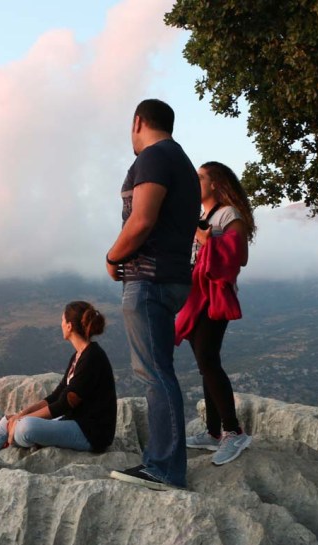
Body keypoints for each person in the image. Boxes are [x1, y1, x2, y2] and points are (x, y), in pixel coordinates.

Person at [106, 99, 200, 491]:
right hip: (174, 277)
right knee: (160, 371)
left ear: (138, 121)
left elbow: (142, 219)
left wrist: (113, 256)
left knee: (154, 373)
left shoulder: (153, 157)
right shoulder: (183, 162)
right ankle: (164, 463)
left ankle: (164, 468)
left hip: (150, 279)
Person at [0, 301, 117, 490]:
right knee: (7, 421)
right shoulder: (78, 356)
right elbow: (55, 396)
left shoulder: (92, 357)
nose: (60, 324)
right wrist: (18, 415)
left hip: (91, 434)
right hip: (75, 423)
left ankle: (10, 437)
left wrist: (22, 420)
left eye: (62, 320)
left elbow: (63, 405)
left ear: (69, 325)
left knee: (25, 427)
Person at [176, 161, 256, 465]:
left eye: (200, 177)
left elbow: (240, 256)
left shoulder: (229, 215)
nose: (194, 182)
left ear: (215, 184)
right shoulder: (202, 216)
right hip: (197, 296)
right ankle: (212, 433)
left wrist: (210, 242)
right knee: (204, 363)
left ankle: (233, 432)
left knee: (208, 360)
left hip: (215, 297)